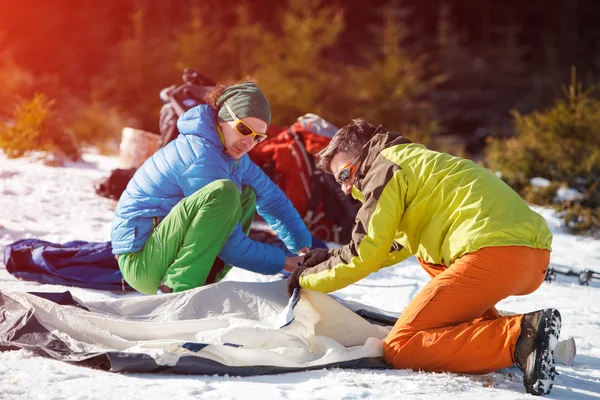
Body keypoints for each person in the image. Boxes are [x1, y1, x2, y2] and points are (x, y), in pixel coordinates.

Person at [287, 118, 561, 396]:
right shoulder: (415, 161)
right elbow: (388, 245)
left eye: (344, 175)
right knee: (428, 257)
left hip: (492, 253)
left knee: (402, 348)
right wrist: (329, 258)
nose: (345, 188)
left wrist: (305, 280)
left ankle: (520, 337)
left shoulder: (383, 169)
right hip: (532, 258)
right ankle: (488, 329)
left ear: (362, 153)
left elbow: (365, 254)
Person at [111, 79, 311, 295]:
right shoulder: (201, 155)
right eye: (243, 129)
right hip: (141, 262)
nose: (248, 142)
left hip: (159, 250)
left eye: (257, 137)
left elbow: (271, 197)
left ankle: (202, 279)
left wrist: (303, 247)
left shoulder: (232, 156)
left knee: (247, 195)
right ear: (223, 119)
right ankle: (174, 290)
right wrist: (286, 263)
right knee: (224, 193)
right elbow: (232, 246)